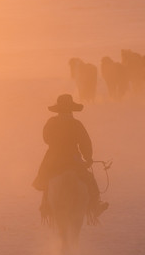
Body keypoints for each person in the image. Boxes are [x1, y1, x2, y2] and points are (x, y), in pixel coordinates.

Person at [32, 94, 108, 224]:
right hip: (73, 160)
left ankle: (44, 206)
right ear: (71, 109)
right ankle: (95, 205)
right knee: (89, 178)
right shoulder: (76, 124)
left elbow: (46, 139)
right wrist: (88, 158)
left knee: (45, 179)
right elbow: (85, 142)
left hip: (53, 159)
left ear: (58, 109)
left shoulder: (51, 122)